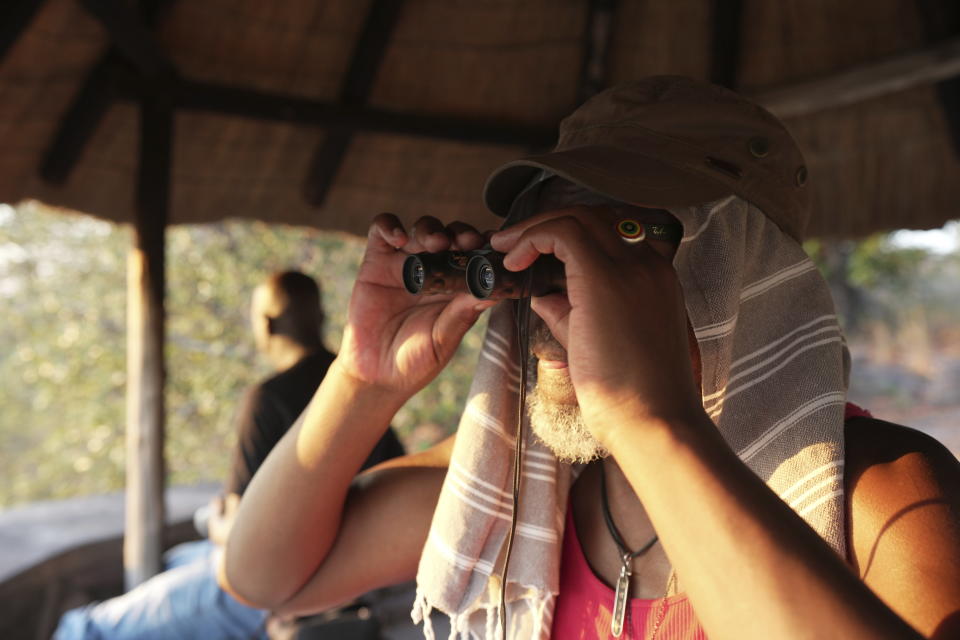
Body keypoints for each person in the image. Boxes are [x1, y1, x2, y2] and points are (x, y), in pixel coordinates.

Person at [220, 78, 960, 639]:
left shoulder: (879, 491)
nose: (555, 300)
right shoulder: (519, 486)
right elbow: (268, 578)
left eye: (624, 243)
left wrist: (650, 419)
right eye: (542, 248)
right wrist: (362, 379)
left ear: (741, 281)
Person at [55, 271, 404, 640]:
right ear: (319, 317)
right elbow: (395, 478)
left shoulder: (270, 397)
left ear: (266, 324)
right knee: (178, 560)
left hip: (278, 579)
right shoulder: (364, 383)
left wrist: (217, 520)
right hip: (356, 562)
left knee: (84, 629)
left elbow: (241, 536)